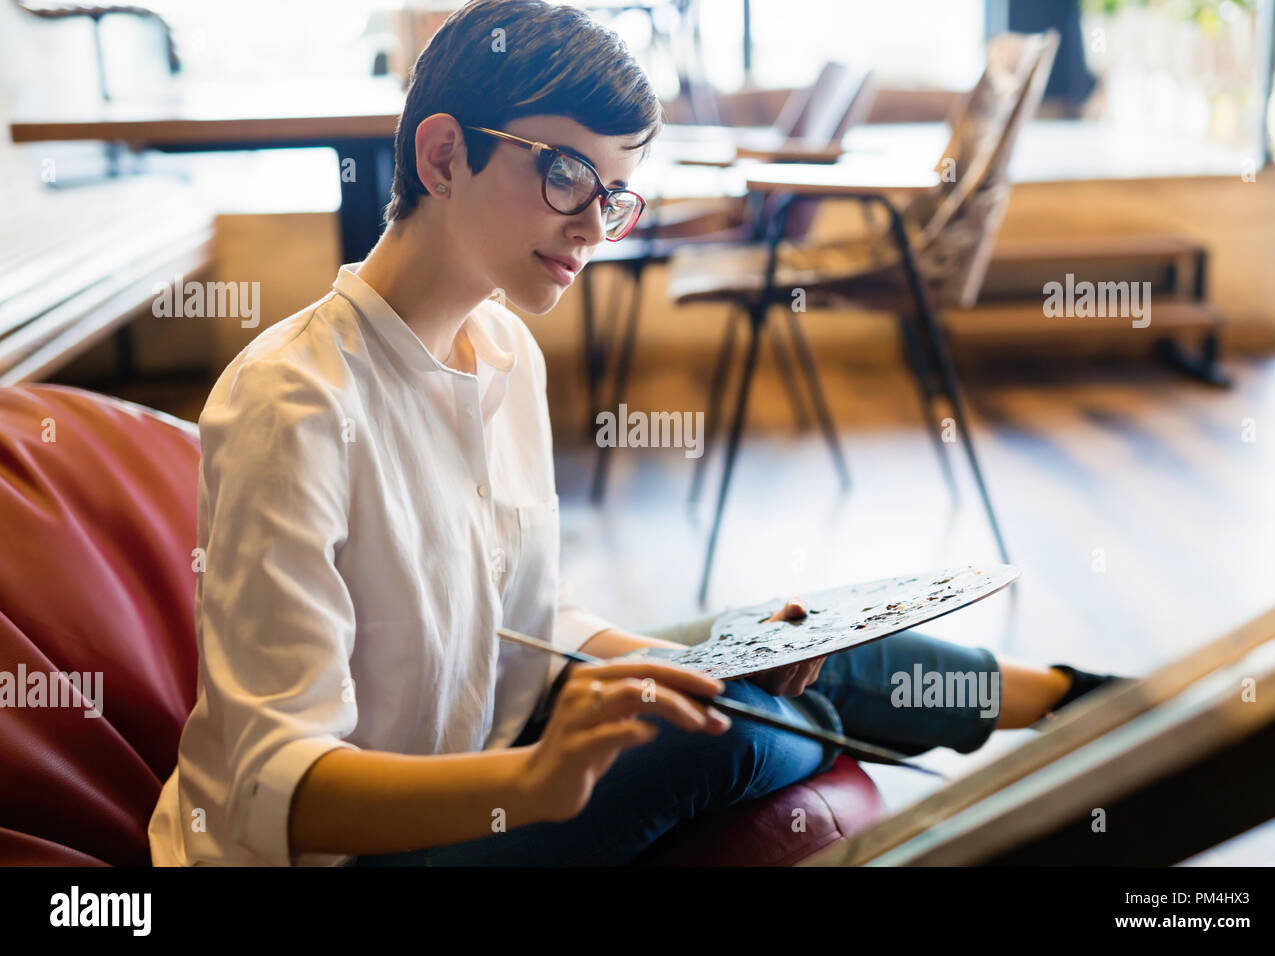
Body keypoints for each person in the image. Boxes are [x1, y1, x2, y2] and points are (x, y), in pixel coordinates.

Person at [147, 0, 1122, 867]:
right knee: (718, 732)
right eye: (567, 174)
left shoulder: (504, 352)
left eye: (612, 194)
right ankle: (841, 724)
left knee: (793, 640)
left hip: (489, 735)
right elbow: (281, 783)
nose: (591, 225)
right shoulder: (292, 401)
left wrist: (688, 662)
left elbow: (521, 620)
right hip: (355, 846)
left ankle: (1119, 710)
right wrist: (536, 782)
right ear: (442, 155)